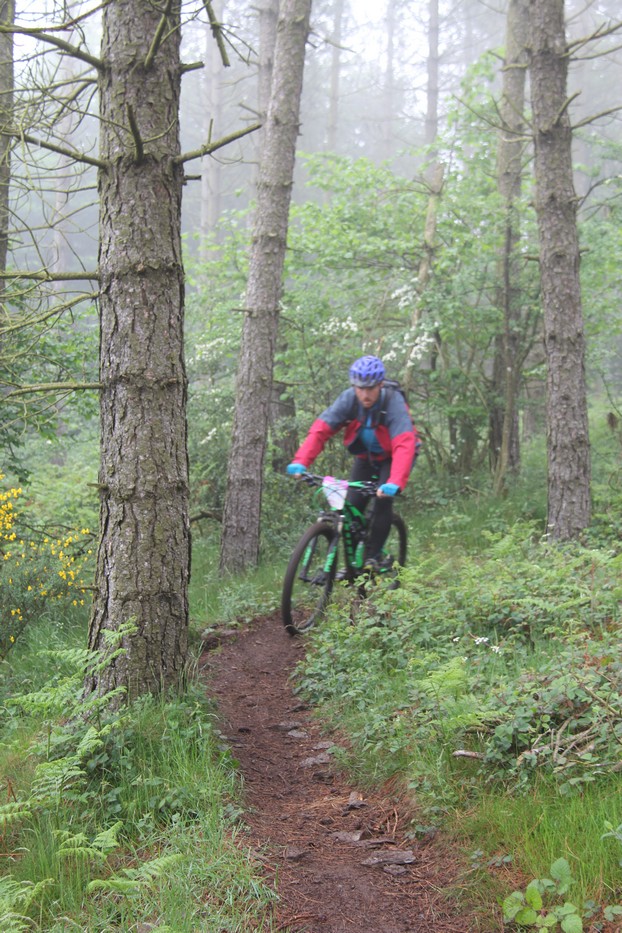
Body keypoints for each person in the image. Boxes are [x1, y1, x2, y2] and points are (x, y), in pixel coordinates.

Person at [286, 355, 419, 569]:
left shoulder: (393, 402)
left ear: (380, 385)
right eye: (360, 388)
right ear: (354, 386)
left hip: (393, 458)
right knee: (351, 507)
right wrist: (301, 461)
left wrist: (394, 481)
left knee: (382, 502)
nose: (365, 395)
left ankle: (372, 557)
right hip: (366, 457)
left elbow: (404, 443)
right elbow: (321, 430)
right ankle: (353, 568)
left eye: (370, 388)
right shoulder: (349, 399)